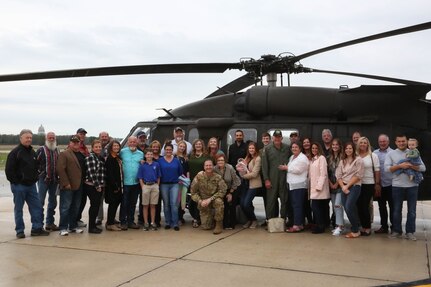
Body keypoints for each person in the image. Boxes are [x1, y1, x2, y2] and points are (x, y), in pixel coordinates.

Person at [6, 129, 49, 238]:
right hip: (19, 186)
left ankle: (36, 228)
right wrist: (16, 182)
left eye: (30, 137)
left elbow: (36, 166)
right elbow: (9, 170)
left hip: (31, 186)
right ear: (21, 138)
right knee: (19, 208)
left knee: (37, 207)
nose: (29, 139)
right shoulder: (15, 152)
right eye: (27, 137)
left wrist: (35, 178)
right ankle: (20, 230)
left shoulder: (32, 152)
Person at [385, 135, 426, 241]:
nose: (401, 143)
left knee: (412, 210)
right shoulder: (391, 154)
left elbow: (423, 168)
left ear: (407, 141)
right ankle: (397, 231)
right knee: (396, 210)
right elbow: (387, 169)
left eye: (403, 141)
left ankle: (410, 232)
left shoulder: (414, 151)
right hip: (397, 186)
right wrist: (400, 166)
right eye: (399, 141)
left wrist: (410, 166)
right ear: (396, 142)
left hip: (412, 186)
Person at [57, 135, 86, 236]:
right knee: (65, 207)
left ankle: (73, 226)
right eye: (73, 142)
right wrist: (65, 183)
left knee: (75, 207)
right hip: (68, 186)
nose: (76, 144)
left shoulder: (81, 154)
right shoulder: (64, 154)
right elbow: (60, 169)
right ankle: (63, 227)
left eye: (77, 142)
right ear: (70, 143)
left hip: (79, 185)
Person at [336, 142, 364, 239]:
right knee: (349, 208)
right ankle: (356, 227)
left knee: (349, 206)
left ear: (354, 149)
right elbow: (338, 176)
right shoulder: (342, 161)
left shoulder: (358, 160)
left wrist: (347, 186)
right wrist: (343, 186)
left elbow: (358, 175)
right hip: (343, 186)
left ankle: (355, 230)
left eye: (350, 148)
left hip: (354, 186)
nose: (348, 150)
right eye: (346, 148)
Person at [191, 159, 227, 234]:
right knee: (206, 227)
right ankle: (211, 218)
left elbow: (223, 190)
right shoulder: (199, 176)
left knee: (219, 202)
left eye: (210, 165)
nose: (208, 167)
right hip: (203, 202)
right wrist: (200, 201)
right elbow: (193, 193)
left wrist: (210, 199)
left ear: (213, 166)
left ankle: (218, 223)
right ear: (204, 167)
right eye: (206, 165)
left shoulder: (218, 177)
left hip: (213, 199)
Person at [261, 130, 290, 222]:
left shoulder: (287, 148)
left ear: (281, 138)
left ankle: (283, 220)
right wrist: (266, 180)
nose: (277, 138)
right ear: (273, 138)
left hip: (284, 178)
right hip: (272, 178)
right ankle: (270, 221)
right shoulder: (267, 149)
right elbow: (264, 166)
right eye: (275, 137)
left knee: (284, 200)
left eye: (279, 137)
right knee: (271, 201)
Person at [281, 142, 309, 233]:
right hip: (291, 185)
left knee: (297, 205)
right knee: (294, 205)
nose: (294, 148)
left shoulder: (303, 158)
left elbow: (299, 170)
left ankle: (297, 225)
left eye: (296, 147)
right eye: (292, 147)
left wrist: (287, 168)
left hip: (299, 185)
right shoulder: (292, 157)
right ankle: (299, 224)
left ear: (300, 148)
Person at [356, 136, 380, 236]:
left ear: (368, 144)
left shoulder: (372, 156)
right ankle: (362, 225)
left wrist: (377, 184)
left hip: (369, 183)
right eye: (361, 142)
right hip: (357, 184)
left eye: (365, 143)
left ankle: (367, 227)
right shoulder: (355, 155)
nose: (363, 144)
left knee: (365, 205)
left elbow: (377, 170)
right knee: (358, 205)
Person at [36, 131, 60, 231]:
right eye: (49, 138)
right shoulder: (41, 150)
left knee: (53, 202)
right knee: (40, 202)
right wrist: (39, 174)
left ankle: (50, 223)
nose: (51, 139)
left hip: (54, 180)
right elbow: (35, 163)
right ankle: (38, 225)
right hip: (43, 180)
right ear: (46, 138)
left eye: (53, 138)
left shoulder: (57, 150)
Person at [119, 136, 143, 230]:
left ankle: (131, 221)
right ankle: (123, 221)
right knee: (124, 203)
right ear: (128, 143)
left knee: (133, 203)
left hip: (136, 183)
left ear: (137, 143)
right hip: (125, 183)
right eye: (131, 142)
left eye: (134, 142)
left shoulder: (141, 154)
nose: (132, 143)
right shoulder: (122, 152)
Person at [158, 143, 183, 231]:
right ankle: (168, 222)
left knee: (174, 204)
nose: (168, 151)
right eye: (167, 149)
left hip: (174, 184)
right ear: (164, 150)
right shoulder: (160, 161)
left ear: (172, 150)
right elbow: (158, 172)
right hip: (164, 184)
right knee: (166, 204)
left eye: (170, 150)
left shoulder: (176, 160)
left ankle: (175, 223)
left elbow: (180, 171)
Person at [83, 140, 106, 234]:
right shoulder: (90, 157)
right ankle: (91, 227)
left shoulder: (99, 157)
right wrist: (97, 186)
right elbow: (92, 173)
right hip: (92, 186)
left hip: (99, 185)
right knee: (94, 206)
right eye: (96, 147)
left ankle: (93, 225)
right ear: (92, 148)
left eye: (99, 147)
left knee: (96, 206)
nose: (98, 148)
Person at [214, 154, 241, 229]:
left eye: (222, 160)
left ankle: (232, 224)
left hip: (232, 188)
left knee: (231, 205)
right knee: (224, 206)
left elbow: (237, 181)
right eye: (218, 160)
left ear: (225, 161)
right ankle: (225, 224)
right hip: (221, 190)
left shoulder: (230, 168)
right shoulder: (214, 169)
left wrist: (231, 193)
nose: (220, 162)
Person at [373, 134, 393, 234]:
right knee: (382, 207)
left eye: (384, 141)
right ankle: (384, 227)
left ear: (388, 142)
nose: (382, 143)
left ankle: (395, 227)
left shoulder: (393, 153)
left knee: (393, 206)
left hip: (391, 184)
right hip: (380, 185)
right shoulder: (374, 153)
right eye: (380, 141)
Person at [188, 139, 211, 228]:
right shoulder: (190, 156)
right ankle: (195, 218)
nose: (198, 145)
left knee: (200, 200)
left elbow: (209, 168)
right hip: (192, 181)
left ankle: (199, 219)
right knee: (193, 201)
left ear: (202, 145)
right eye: (196, 144)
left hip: (203, 181)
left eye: (200, 144)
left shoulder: (206, 156)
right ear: (194, 146)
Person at [308, 142, 330, 234]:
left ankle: (320, 226)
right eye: (312, 148)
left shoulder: (322, 158)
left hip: (319, 188)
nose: (314, 150)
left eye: (316, 148)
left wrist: (319, 186)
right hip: (313, 188)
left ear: (319, 149)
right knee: (317, 208)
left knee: (316, 207)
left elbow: (323, 173)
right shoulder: (312, 159)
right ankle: (319, 224)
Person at [137, 149, 161, 231]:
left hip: (154, 185)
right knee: (145, 205)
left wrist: (157, 185)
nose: (149, 156)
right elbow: (140, 177)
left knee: (153, 205)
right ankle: (146, 222)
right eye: (148, 154)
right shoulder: (142, 165)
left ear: (152, 155)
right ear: (145, 155)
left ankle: (153, 222)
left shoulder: (156, 164)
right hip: (146, 185)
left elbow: (158, 176)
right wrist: (142, 186)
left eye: (151, 154)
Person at [240, 142, 262, 229]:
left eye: (253, 148)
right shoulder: (247, 157)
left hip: (254, 184)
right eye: (250, 148)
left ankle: (254, 220)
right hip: (245, 184)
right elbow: (243, 168)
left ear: (256, 149)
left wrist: (243, 176)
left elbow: (254, 174)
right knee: (242, 203)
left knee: (246, 204)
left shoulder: (258, 158)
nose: (251, 150)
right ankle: (250, 219)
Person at [327, 138, 345, 236]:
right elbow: (326, 173)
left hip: (340, 185)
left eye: (336, 145)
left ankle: (340, 226)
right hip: (331, 185)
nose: (334, 146)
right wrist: (330, 183)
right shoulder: (328, 157)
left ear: (339, 146)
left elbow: (344, 172)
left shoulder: (343, 157)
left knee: (338, 205)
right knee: (335, 206)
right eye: (333, 144)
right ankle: (339, 225)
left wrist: (337, 183)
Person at [104, 140, 123, 231]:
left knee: (116, 203)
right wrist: (115, 186)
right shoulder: (110, 159)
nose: (116, 147)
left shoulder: (117, 157)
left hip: (119, 185)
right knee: (113, 204)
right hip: (113, 187)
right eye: (114, 146)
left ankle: (111, 220)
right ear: (111, 147)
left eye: (117, 146)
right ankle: (110, 224)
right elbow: (110, 175)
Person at [76, 127, 89, 228]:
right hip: (76, 179)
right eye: (81, 134)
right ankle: (73, 220)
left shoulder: (84, 147)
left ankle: (77, 218)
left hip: (84, 178)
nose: (82, 136)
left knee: (83, 200)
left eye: (84, 134)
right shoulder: (73, 146)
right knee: (76, 200)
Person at [96, 131, 110, 226]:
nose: (104, 138)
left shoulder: (111, 147)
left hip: (109, 178)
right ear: (99, 137)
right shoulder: (97, 149)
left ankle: (111, 219)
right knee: (99, 200)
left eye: (105, 136)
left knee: (112, 200)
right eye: (102, 136)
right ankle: (99, 218)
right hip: (100, 178)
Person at [176, 140, 190, 224]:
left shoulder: (186, 158)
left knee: (183, 200)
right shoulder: (174, 157)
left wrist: (188, 180)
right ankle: (177, 217)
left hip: (184, 181)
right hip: (177, 181)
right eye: (180, 146)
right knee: (177, 199)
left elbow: (187, 170)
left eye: (183, 147)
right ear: (178, 146)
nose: (182, 148)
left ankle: (181, 216)